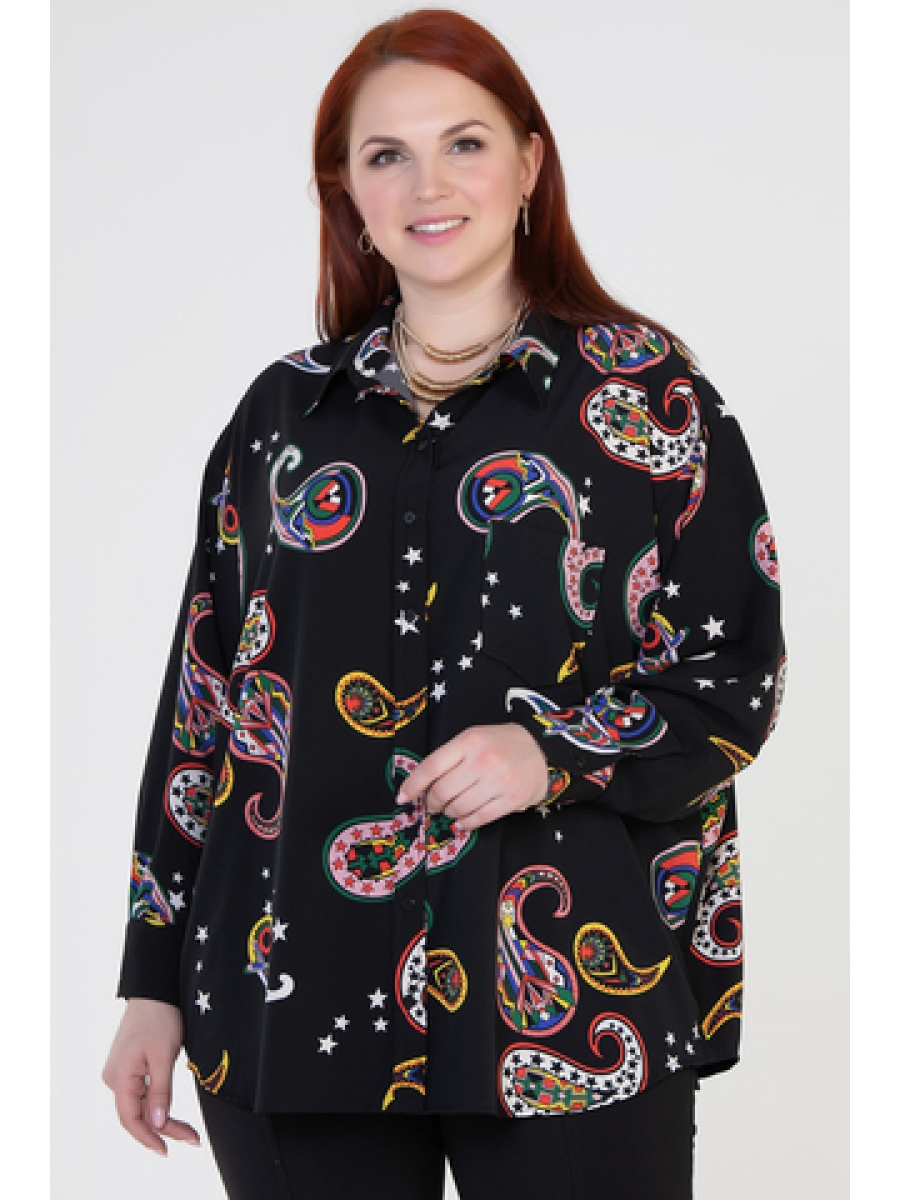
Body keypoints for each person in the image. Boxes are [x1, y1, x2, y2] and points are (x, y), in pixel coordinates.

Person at [103, 9, 785, 1198]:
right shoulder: (280, 420)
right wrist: (149, 983)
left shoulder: (652, 403)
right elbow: (203, 707)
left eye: (464, 143)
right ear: (348, 194)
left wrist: (552, 751)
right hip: (286, 993)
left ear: (528, 164)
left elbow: (733, 683)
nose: (429, 184)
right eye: (387, 155)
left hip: (572, 1005)